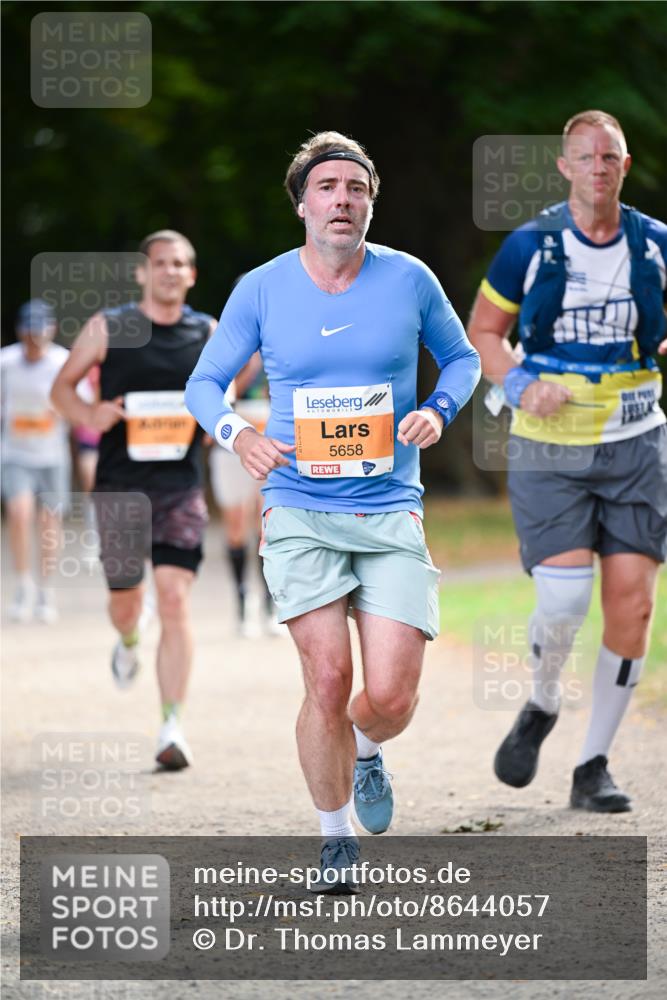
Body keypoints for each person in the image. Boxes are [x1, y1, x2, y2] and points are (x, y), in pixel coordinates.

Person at [186, 131, 480, 890]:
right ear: (301, 204)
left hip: (388, 507)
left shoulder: (409, 279)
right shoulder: (260, 287)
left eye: (356, 188)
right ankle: (332, 835)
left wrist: (439, 411)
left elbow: (464, 358)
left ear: (370, 203)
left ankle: (367, 744)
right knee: (324, 677)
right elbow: (203, 385)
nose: (342, 199)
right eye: (327, 188)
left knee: (388, 695)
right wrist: (238, 434)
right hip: (298, 505)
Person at [467, 110, 667, 812]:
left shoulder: (655, 247)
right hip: (550, 448)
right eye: (584, 157)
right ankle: (543, 700)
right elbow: (484, 333)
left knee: (633, 606)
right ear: (563, 167)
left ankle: (592, 766)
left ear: (624, 164)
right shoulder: (530, 245)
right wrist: (521, 385)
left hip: (637, 445)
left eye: (608, 157)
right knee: (562, 602)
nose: (597, 168)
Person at [51, 230, 215, 770]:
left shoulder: (208, 333)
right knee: (127, 601)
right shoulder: (108, 327)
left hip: (181, 486)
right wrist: (89, 415)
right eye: (161, 263)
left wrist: (218, 421)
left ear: (192, 275)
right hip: (120, 487)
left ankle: (173, 724)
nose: (171, 271)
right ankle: (127, 637)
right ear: (143, 272)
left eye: (181, 264)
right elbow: (62, 389)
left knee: (174, 599)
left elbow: (225, 391)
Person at [1, 299, 70, 624]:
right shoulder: (6, 362)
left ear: (51, 331)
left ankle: (46, 587)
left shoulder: (62, 361)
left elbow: (78, 400)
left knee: (49, 522)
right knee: (19, 513)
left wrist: (60, 410)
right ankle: (23, 583)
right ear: (21, 332)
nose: (35, 342)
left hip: (52, 455)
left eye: (40, 335)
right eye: (30, 335)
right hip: (15, 453)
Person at [208, 350, 285, 637]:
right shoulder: (224, 358)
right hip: (230, 452)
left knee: (265, 526)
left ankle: (270, 605)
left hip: (269, 446)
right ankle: (241, 605)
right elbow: (214, 404)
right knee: (236, 527)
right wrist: (246, 371)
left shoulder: (278, 352)